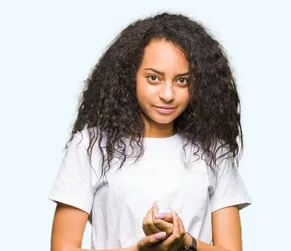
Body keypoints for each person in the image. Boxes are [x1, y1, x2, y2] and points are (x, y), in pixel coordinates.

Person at [48, 12, 251, 251]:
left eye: (182, 81)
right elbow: (63, 248)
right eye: (154, 78)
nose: (167, 94)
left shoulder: (213, 151)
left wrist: (186, 243)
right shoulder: (90, 145)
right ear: (129, 77)